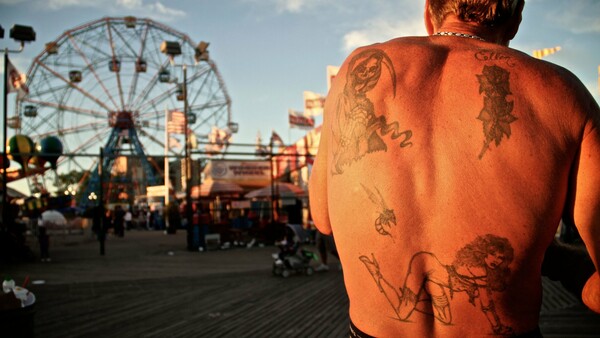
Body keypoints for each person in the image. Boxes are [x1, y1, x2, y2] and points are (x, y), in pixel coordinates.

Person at [308, 0, 600, 337]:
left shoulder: (356, 68)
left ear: (430, 11)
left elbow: (323, 218)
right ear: (516, 20)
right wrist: (554, 258)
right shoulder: (564, 94)